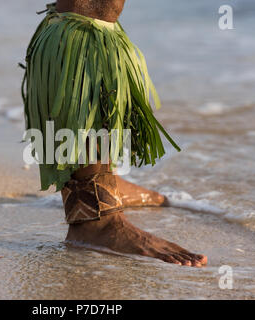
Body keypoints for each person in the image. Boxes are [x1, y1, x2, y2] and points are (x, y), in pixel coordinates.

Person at [21, 0, 207, 267]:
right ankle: (95, 220)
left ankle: (103, 176)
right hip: (76, 38)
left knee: (103, 8)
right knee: (90, 8)